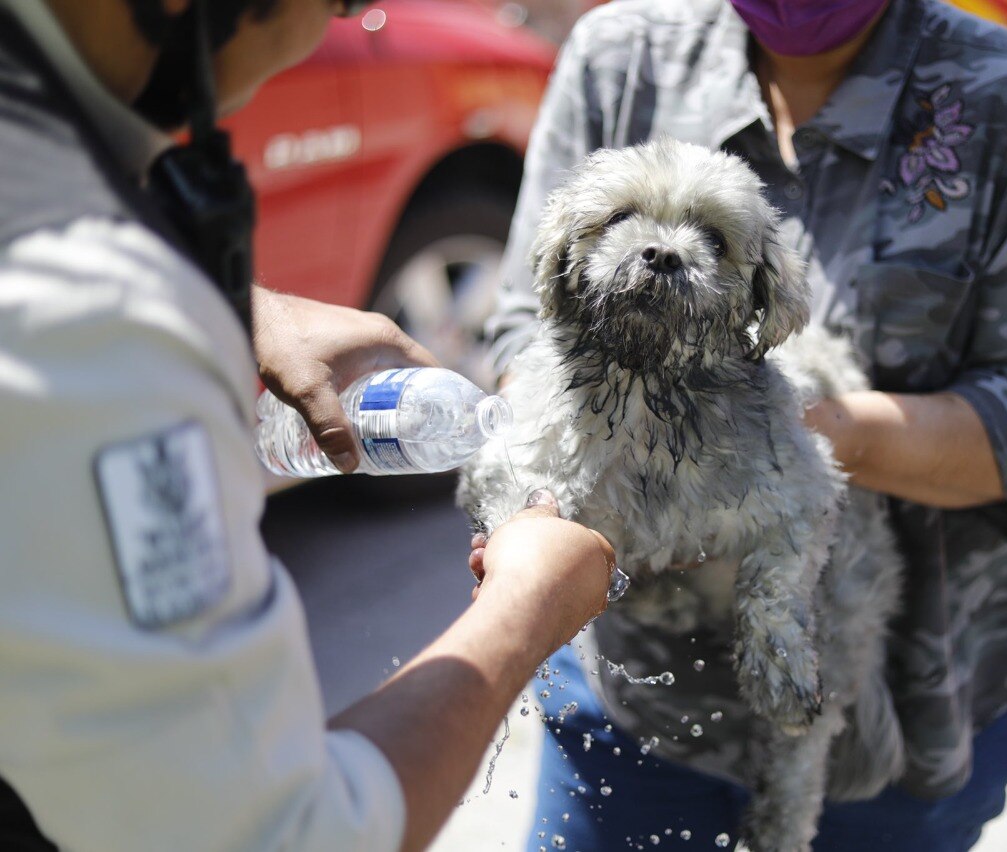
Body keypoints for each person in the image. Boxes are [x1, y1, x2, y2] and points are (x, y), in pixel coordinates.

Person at [487, 0, 1007, 848]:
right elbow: (522, 328)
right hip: (631, 694)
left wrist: (811, 438)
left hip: (902, 707)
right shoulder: (623, 58)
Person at [0, 1, 615, 850]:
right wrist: (526, 608)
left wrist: (236, 310)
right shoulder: (96, 309)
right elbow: (273, 833)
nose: (352, 11)